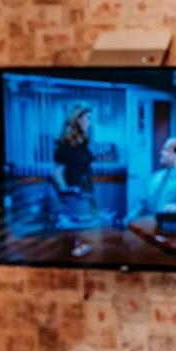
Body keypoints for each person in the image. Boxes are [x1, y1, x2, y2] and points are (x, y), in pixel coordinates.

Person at [51, 103, 98, 256]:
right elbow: (57, 173)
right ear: (78, 120)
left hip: (86, 191)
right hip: (74, 196)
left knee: (88, 241)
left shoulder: (83, 143)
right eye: (88, 118)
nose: (90, 123)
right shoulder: (65, 145)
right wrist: (68, 194)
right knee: (75, 242)